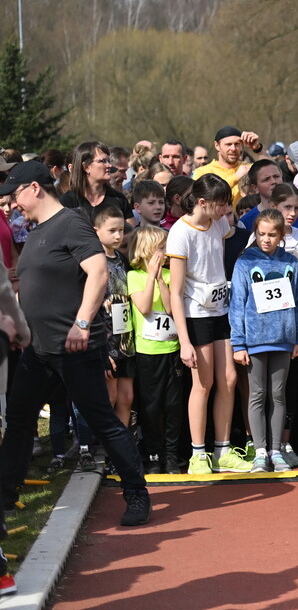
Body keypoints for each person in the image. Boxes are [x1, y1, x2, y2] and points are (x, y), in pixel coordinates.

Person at [0, 161, 150, 526]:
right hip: (39, 349)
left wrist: (82, 324)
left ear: (35, 188)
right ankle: (4, 497)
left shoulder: (71, 223)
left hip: (75, 348)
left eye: (15, 195)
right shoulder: (36, 232)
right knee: (19, 420)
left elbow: (98, 272)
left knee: (102, 420)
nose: (12, 204)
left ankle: (137, 495)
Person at [167, 174, 252, 475]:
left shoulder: (220, 223)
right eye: (220, 205)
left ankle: (223, 449)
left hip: (221, 308)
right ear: (201, 202)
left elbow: (227, 229)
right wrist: (185, 341)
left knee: (228, 378)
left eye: (227, 205)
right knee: (203, 384)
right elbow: (176, 293)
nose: (225, 211)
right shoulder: (180, 233)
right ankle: (197, 454)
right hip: (196, 313)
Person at [230, 210, 298, 473]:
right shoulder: (245, 263)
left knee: (278, 395)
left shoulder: (292, 263)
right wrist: (238, 344)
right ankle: (260, 451)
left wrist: (297, 338)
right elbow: (237, 305)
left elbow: (297, 303)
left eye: (272, 234)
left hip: (283, 339)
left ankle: (276, 450)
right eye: (261, 234)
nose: (266, 239)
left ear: (282, 235)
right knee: (257, 394)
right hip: (254, 340)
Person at [127, 225, 182, 474]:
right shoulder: (134, 276)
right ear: (148, 251)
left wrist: (161, 278)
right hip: (148, 352)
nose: (166, 253)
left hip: (171, 349)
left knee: (172, 406)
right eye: (162, 248)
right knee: (150, 407)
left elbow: (171, 309)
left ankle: (171, 455)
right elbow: (146, 307)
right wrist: (150, 276)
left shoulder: (170, 276)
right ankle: (153, 454)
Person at [93, 205, 136, 432]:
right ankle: (102, 447)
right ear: (96, 230)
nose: (118, 235)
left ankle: (122, 447)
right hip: (106, 341)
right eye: (112, 231)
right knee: (109, 396)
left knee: (126, 397)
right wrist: (101, 348)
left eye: (120, 230)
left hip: (126, 339)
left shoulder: (121, 258)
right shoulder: (94, 261)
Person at [193, 126, 271, 208]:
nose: (233, 148)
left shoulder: (248, 168)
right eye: (228, 144)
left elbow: (273, 173)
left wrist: (258, 149)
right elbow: (205, 197)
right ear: (217, 145)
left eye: (237, 144)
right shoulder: (203, 172)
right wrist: (236, 178)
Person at [59, 141, 135, 223]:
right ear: (86, 167)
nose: (109, 165)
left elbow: (131, 232)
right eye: (103, 161)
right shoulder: (68, 201)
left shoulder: (118, 199)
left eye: (108, 161)